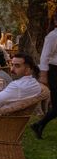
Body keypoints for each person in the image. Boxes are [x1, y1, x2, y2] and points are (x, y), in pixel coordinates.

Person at [31, 11, 57, 139]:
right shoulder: (52, 36)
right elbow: (45, 56)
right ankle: (39, 124)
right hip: (54, 71)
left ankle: (39, 125)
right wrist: (43, 75)